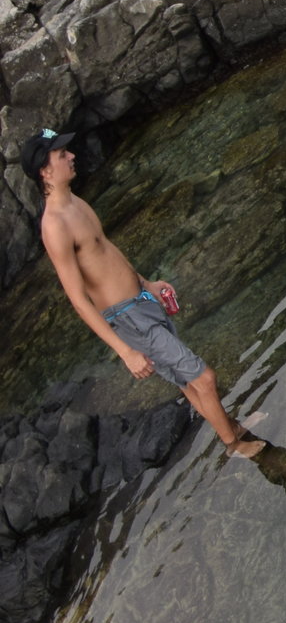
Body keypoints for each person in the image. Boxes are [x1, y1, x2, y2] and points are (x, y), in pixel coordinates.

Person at [25, 130, 264, 458]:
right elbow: (78, 299)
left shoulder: (75, 202)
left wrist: (147, 283)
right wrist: (124, 351)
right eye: (61, 154)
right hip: (128, 319)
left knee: (189, 380)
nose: (71, 156)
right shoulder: (54, 226)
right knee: (204, 378)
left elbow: (106, 252)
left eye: (67, 151)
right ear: (45, 171)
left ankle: (231, 427)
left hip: (141, 301)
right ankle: (233, 446)